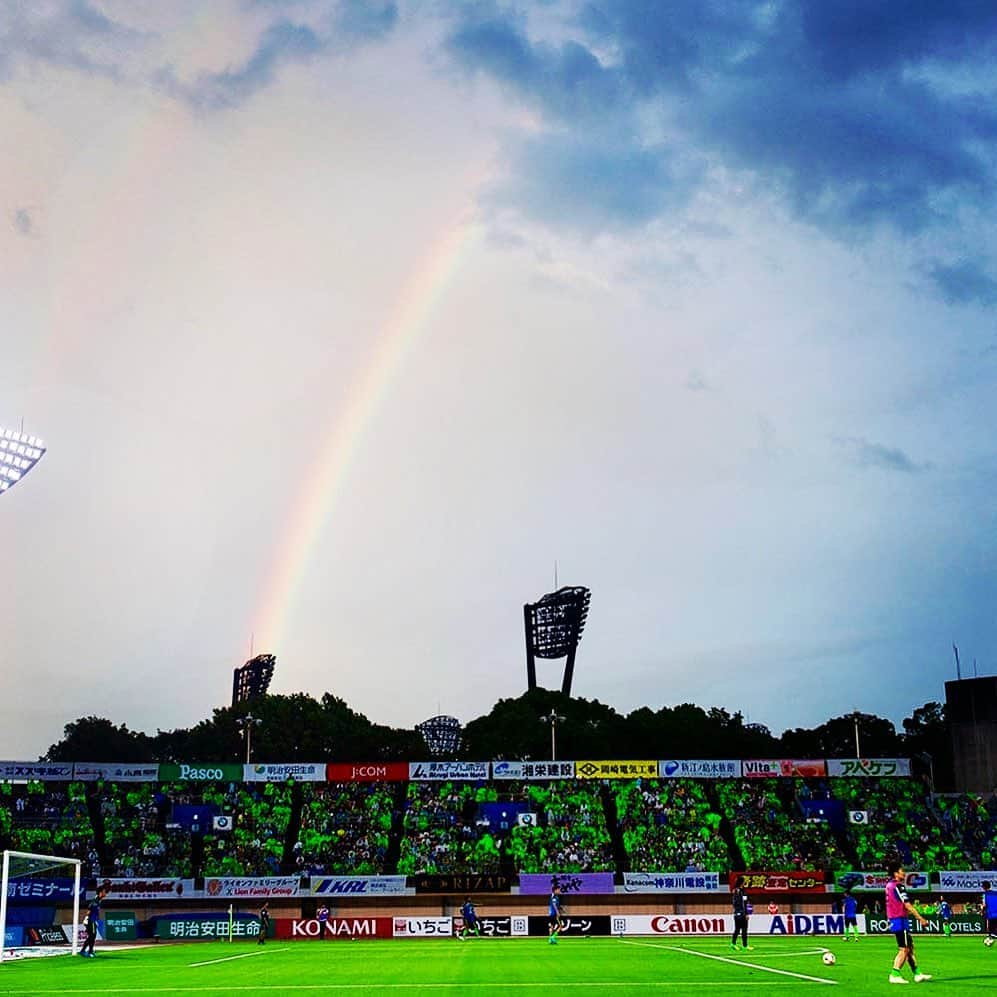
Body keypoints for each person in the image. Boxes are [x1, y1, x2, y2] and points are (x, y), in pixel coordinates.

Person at [886, 861, 931, 984]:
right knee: (904, 949)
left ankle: (917, 973)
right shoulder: (898, 886)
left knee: (909, 948)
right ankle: (894, 974)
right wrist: (920, 918)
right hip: (900, 920)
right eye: (902, 871)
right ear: (896, 873)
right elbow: (907, 905)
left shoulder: (889, 885)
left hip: (896, 919)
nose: (904, 873)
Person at [80, 884, 108, 957]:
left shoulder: (98, 901)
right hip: (91, 921)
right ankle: (90, 952)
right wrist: (87, 919)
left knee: (91, 936)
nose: (106, 893)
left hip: (93, 921)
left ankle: (83, 951)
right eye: (104, 892)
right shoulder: (94, 902)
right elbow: (89, 911)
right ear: (100, 893)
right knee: (92, 936)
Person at [730, 876, 752, 951]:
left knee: (744, 930)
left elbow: (745, 903)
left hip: (741, 913)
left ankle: (744, 945)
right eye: (744, 881)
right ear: (741, 882)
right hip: (740, 913)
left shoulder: (742, 891)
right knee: (738, 929)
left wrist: (746, 913)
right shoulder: (737, 891)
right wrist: (744, 913)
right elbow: (739, 903)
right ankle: (733, 944)